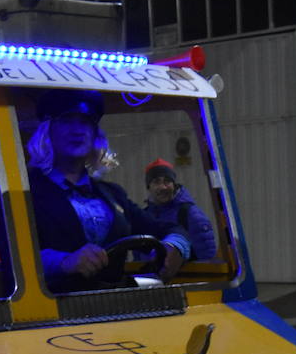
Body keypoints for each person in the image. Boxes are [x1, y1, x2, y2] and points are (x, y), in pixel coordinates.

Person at [26, 89, 190, 293]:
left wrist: (176, 246)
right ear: (47, 130)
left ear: (95, 134)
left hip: (114, 308)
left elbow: (167, 229)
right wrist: (64, 261)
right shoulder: (24, 191)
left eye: (86, 122)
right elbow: (14, 254)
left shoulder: (112, 194)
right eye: (67, 120)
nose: (77, 130)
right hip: (52, 310)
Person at [142, 158, 218, 260]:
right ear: (149, 187)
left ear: (174, 185)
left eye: (167, 181)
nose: (163, 187)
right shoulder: (144, 216)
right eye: (156, 182)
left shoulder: (190, 214)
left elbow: (207, 258)